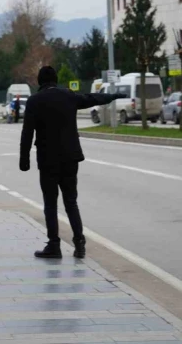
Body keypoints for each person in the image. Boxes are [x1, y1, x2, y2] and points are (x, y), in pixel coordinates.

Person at [19, 66, 125, 259]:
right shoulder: (68, 96)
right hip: (70, 158)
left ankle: (54, 245)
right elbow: (91, 98)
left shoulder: (34, 101)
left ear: (40, 81)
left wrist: (24, 159)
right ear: (56, 80)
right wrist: (112, 96)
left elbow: (27, 133)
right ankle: (79, 243)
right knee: (71, 202)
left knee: (50, 204)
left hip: (47, 160)